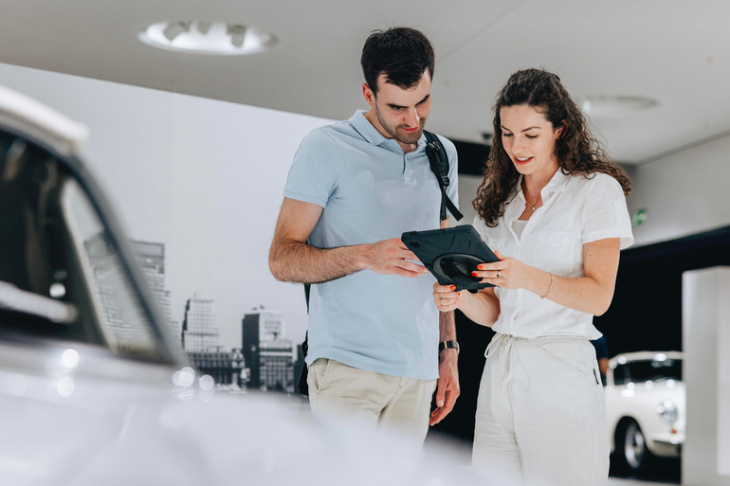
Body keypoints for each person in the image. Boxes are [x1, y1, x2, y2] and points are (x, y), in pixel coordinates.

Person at [433, 68, 633, 485]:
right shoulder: (498, 204)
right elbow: (494, 310)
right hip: (501, 365)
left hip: (560, 366)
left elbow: (598, 297)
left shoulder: (596, 191)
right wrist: (461, 298)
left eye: (529, 134)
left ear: (560, 129)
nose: (516, 147)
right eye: (506, 134)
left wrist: (527, 277)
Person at [268, 27, 460, 443]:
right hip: (345, 366)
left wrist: (449, 352)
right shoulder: (326, 148)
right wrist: (365, 256)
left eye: (422, 102)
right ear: (368, 94)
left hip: (418, 372)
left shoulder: (443, 154)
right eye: (397, 107)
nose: (413, 119)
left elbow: (442, 265)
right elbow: (282, 259)